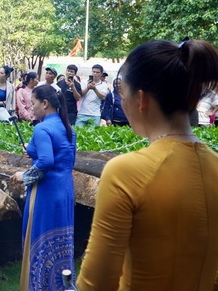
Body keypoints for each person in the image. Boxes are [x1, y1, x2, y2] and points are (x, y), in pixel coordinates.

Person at [77, 39, 218, 290]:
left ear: (141, 99)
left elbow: (96, 282)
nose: (122, 101)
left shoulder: (126, 172)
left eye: (123, 92)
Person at [13, 84, 76, 291]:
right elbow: (64, 158)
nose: (31, 108)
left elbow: (47, 161)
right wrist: (32, 152)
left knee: (39, 239)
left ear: (45, 103)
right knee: (62, 243)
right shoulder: (68, 127)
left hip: (46, 193)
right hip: (65, 190)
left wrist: (25, 176)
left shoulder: (42, 128)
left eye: (33, 103)